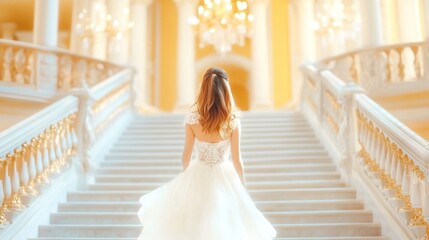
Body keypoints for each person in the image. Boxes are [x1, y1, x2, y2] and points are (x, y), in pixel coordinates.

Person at [137, 67, 277, 240]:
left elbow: (186, 155)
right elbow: (237, 160)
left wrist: (186, 177)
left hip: (197, 173)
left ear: (203, 89)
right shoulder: (232, 121)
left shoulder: (192, 119)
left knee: (192, 224)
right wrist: (242, 185)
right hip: (225, 177)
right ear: (226, 91)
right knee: (224, 224)